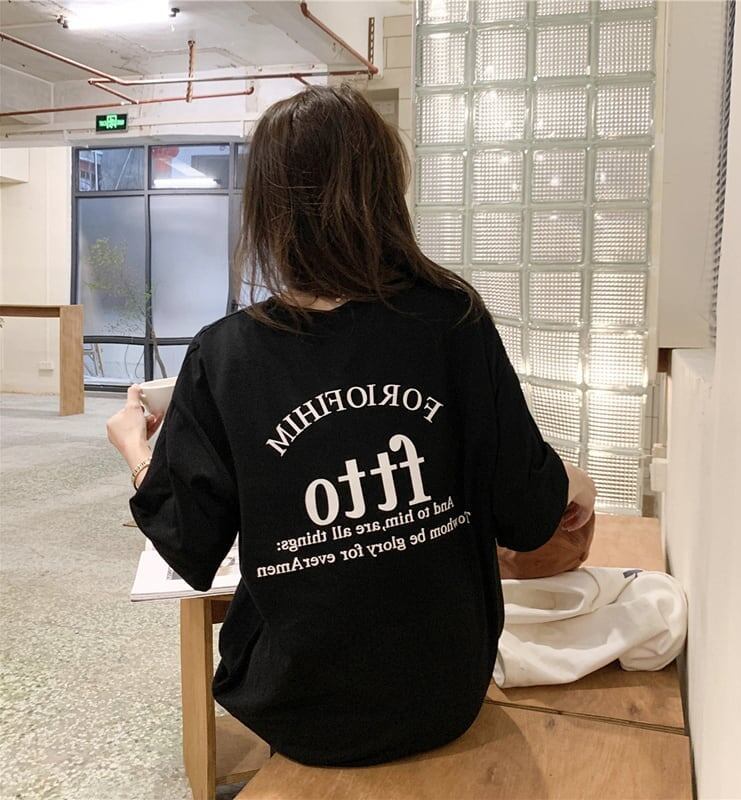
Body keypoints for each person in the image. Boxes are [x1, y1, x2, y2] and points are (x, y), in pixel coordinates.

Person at [106, 84, 597, 768]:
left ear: (267, 208)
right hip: (447, 689)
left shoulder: (225, 356)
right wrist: (576, 481)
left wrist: (137, 451)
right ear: (386, 193)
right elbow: (526, 512)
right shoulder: (452, 320)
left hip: (303, 707)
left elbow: (190, 543)